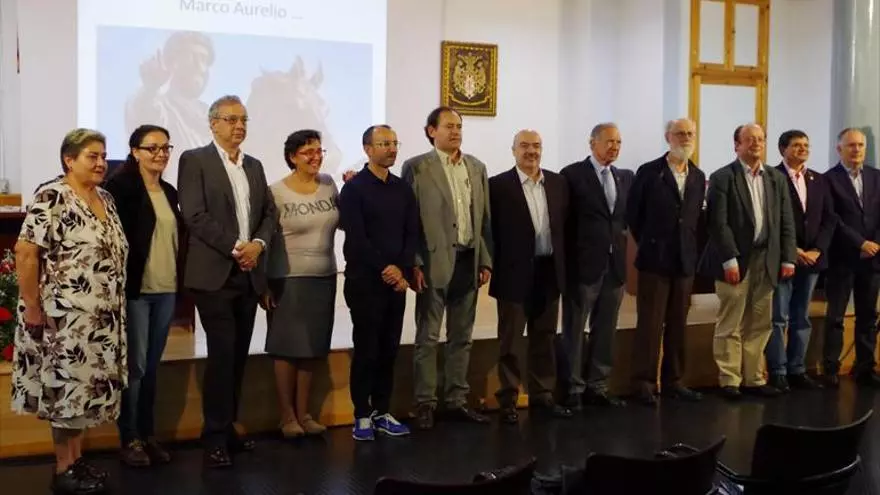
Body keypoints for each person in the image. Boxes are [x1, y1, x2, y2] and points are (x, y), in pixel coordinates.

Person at [12, 129, 128, 494]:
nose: (101, 162)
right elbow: (25, 253)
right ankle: (63, 469)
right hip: (62, 320)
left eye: (103, 156)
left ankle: (76, 461)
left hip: (100, 321)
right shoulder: (53, 196)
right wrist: (32, 307)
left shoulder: (105, 197)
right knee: (64, 393)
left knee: (83, 394)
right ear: (69, 159)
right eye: (92, 156)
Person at [177, 95, 278, 468]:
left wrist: (258, 245)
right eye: (231, 119)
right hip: (215, 273)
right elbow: (194, 215)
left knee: (237, 356)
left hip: (248, 274)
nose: (239, 126)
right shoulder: (195, 160)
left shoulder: (254, 165)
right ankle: (214, 437)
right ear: (213, 123)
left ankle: (230, 426)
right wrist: (238, 247)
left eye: (244, 120)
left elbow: (268, 213)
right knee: (221, 355)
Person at [401, 106, 493, 430]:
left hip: (468, 260)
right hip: (433, 262)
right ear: (431, 131)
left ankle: (456, 400)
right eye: (448, 126)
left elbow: (484, 218)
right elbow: (409, 220)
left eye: (459, 126)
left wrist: (485, 259)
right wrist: (414, 262)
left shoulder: (476, 167)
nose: (455, 132)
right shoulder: (416, 167)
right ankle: (425, 403)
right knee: (428, 336)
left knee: (462, 336)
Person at [104, 125, 182, 466]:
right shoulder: (119, 189)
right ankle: (130, 437)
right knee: (135, 367)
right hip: (136, 290)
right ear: (135, 151)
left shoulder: (169, 191)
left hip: (167, 288)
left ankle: (148, 434)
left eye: (165, 148)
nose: (160, 154)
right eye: (153, 148)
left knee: (151, 367)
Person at [700, 123, 796, 401]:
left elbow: (786, 221)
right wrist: (729, 259)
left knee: (760, 323)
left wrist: (788, 257)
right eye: (749, 139)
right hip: (734, 260)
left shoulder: (776, 178)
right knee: (730, 322)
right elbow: (717, 223)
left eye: (760, 139)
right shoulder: (722, 177)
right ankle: (730, 379)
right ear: (737, 145)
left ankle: (754, 378)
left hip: (767, 259)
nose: (756, 143)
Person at [339, 125, 418, 441]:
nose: (392, 149)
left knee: (389, 349)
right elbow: (356, 238)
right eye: (384, 143)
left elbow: (412, 232)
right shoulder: (354, 189)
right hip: (364, 281)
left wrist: (401, 269)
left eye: (394, 143)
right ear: (367, 149)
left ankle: (382, 411)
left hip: (395, 283)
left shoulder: (402, 188)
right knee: (367, 348)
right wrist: (385, 268)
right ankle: (361, 414)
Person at [489, 130, 572, 423]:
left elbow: (565, 227)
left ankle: (542, 394)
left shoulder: (558, 183)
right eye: (524, 146)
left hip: (549, 271)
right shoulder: (498, 186)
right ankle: (508, 399)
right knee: (510, 340)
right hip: (513, 273)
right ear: (513, 150)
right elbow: (491, 231)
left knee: (545, 337)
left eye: (536, 146)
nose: (531, 151)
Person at [262, 130, 338, 438]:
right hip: (287, 278)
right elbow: (265, 237)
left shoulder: (329, 184)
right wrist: (264, 283)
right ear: (292, 157)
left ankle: (304, 413)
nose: (315, 157)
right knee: (287, 348)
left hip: (324, 277)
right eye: (308, 152)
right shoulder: (276, 191)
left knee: (312, 348)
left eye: (319, 151)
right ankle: (286, 416)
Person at [626, 119, 706, 406]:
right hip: (655, 260)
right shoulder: (649, 172)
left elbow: (696, 219)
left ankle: (675, 381)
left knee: (678, 324)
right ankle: (644, 383)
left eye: (690, 133)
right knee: (650, 325)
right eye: (680, 133)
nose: (686, 138)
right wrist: (651, 241)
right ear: (667, 137)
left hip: (684, 261)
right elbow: (633, 214)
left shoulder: (698, 175)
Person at [560, 122, 633, 409]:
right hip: (584, 265)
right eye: (609, 141)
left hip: (614, 266)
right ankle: (573, 387)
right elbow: (564, 222)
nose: (614, 147)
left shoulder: (624, 177)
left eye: (618, 142)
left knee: (606, 329)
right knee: (575, 328)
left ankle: (598, 385)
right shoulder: (572, 175)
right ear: (592, 144)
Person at [765, 130, 836, 392]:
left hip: (813, 259)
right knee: (778, 317)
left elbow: (829, 218)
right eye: (796, 145)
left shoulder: (818, 179)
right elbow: (770, 219)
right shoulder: (771, 177)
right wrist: (792, 250)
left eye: (806, 144)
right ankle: (778, 370)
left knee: (801, 317)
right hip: (784, 257)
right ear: (782, 149)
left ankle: (797, 369)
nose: (803, 149)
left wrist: (818, 249)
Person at [821, 128, 880, 389]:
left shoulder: (877, 177)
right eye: (851, 145)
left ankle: (865, 367)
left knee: (868, 316)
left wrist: (874, 244)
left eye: (860, 145)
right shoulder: (827, 180)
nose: (856, 150)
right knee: (835, 316)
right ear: (839, 149)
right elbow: (833, 219)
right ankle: (831, 368)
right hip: (842, 258)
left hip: (873, 258)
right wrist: (860, 243)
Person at [126, 32, 215, 161]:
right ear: (172, 63)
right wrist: (150, 88)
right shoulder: (160, 106)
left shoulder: (211, 115)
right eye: (192, 58)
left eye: (204, 60)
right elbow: (143, 111)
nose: (201, 67)